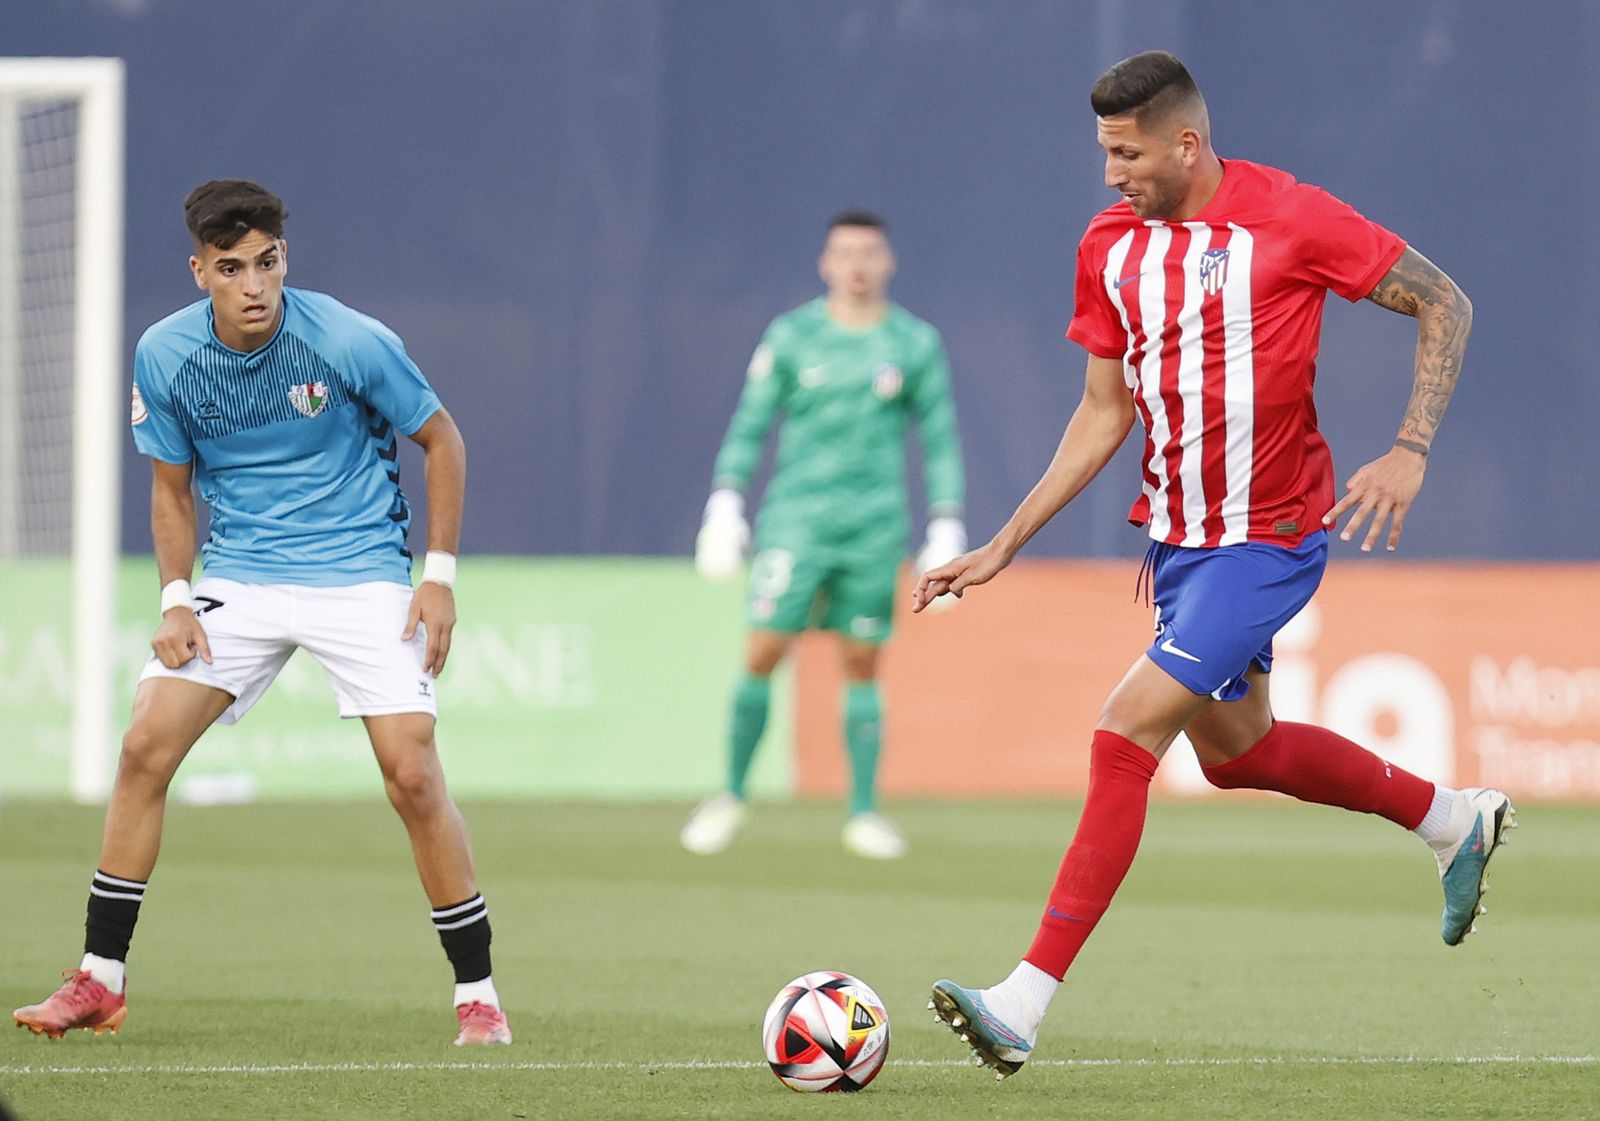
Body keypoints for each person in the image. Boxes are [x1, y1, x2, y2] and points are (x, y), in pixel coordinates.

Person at [915, 52, 1513, 1079]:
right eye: (1103, 152)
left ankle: (1021, 1000)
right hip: (1183, 546)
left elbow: (1444, 301)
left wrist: (1409, 449)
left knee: (1125, 725)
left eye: (1125, 152)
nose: (1110, 173)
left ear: (1183, 142)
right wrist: (1002, 544)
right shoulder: (1108, 245)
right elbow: (1103, 412)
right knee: (1239, 752)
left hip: (1271, 539)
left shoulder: (1289, 218)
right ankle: (1451, 817)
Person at [11, 180, 511, 1047]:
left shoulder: (349, 338)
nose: (254, 285)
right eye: (233, 267)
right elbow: (170, 492)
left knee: (413, 773)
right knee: (142, 746)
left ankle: (479, 995)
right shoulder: (165, 355)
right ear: (200, 270)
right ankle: (99, 980)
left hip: (359, 573)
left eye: (268, 262)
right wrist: (175, 597)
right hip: (240, 577)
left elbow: (443, 439)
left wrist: (437, 577)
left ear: (286, 257)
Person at [680, 211, 966, 860]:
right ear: (825, 264)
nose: (858, 264)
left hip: (872, 525)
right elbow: (751, 424)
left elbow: (940, 437)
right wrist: (725, 502)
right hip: (795, 522)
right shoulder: (792, 336)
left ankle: (863, 811)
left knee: (861, 659)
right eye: (845, 252)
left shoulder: (914, 342)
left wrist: (946, 519)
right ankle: (728, 795)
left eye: (870, 251)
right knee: (764, 649)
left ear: (888, 261)